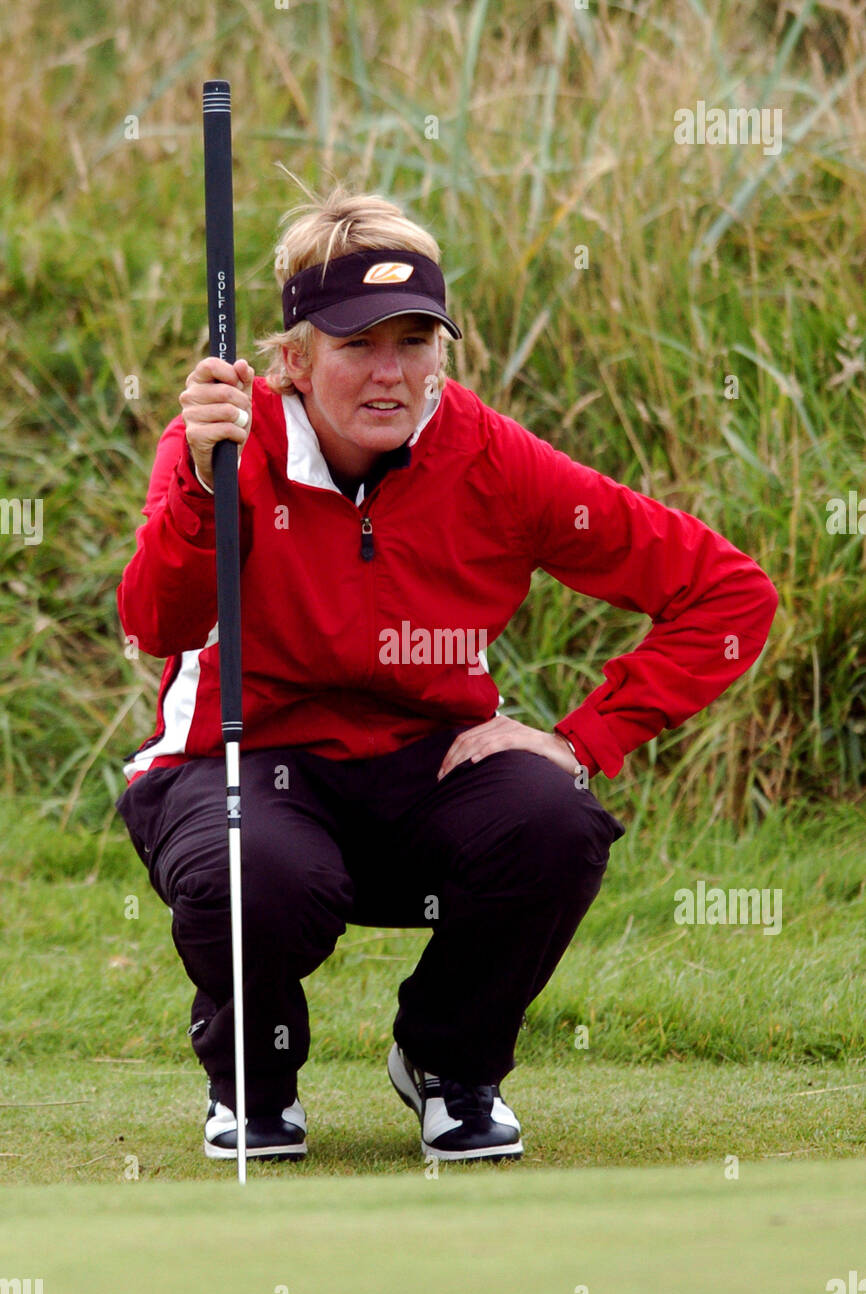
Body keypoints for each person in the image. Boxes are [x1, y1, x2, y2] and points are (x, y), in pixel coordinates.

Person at [115, 186, 778, 1164]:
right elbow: (156, 622)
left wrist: (580, 737)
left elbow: (727, 593)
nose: (390, 374)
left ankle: (449, 1065)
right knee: (256, 871)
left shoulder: (488, 456)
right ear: (291, 359)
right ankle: (252, 1079)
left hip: (424, 764)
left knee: (553, 817)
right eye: (356, 344)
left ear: (441, 351)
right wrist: (206, 488)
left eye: (414, 340)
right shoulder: (220, 440)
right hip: (243, 761)